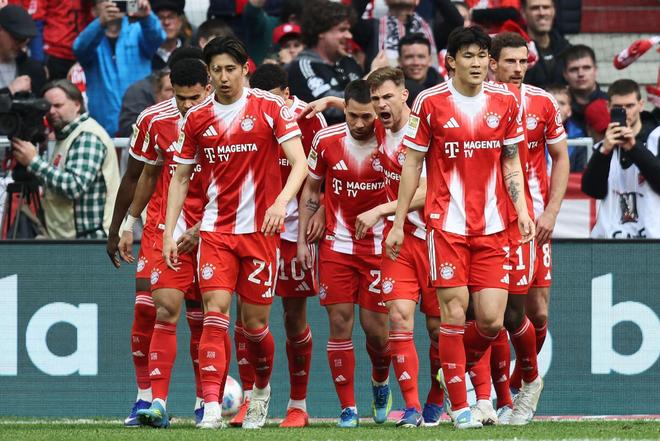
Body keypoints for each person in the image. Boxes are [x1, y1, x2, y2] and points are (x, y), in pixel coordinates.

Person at [387, 26, 534, 429]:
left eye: (482, 55)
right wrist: (398, 222)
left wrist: (521, 208)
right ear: (451, 61)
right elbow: (412, 165)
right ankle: (461, 406)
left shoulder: (506, 101)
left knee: (490, 321)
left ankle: (447, 375)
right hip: (447, 227)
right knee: (452, 316)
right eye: (468, 55)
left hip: (494, 227)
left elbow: (510, 159)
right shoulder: (430, 101)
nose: (477, 63)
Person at [163, 36, 307, 430]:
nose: (224, 77)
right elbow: (180, 177)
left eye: (231, 69)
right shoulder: (197, 117)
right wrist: (169, 233)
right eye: (217, 70)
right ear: (208, 74)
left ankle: (260, 391)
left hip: (260, 232)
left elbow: (299, 163)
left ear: (245, 69)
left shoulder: (270, 108)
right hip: (215, 231)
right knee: (215, 313)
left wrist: (280, 203)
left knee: (255, 327)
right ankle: (211, 405)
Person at [113, 48, 213, 429]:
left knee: (203, 318)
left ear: (207, 87)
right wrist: (127, 222)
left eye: (193, 96)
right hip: (162, 227)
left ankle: (206, 401)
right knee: (153, 308)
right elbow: (142, 175)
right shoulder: (154, 119)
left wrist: (206, 225)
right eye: (179, 96)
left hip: (211, 227)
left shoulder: (224, 119)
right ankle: (150, 399)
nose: (186, 105)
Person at [483, 31, 568, 425]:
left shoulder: (542, 102)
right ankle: (501, 397)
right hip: (489, 221)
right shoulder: (477, 101)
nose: (518, 69)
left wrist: (551, 212)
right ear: (493, 63)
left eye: (523, 62)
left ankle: (522, 383)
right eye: (510, 61)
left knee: (536, 312)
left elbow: (560, 157)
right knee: (496, 313)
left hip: (532, 222)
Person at [297, 80, 392, 428]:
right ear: (346, 112)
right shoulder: (326, 140)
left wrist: (332, 99)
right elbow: (311, 189)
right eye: (353, 115)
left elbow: (400, 105)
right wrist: (302, 241)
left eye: (367, 116)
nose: (360, 123)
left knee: (377, 333)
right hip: (336, 246)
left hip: (379, 247)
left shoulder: (389, 137)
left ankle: (381, 382)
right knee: (339, 325)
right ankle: (348, 407)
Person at [243, 63, 327, 428]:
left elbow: (325, 170)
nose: (270, 107)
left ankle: (298, 404)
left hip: (294, 231)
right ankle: (250, 399)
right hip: (251, 228)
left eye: (275, 99)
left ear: (288, 95)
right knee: (247, 318)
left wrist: (320, 211)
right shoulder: (246, 114)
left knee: (294, 317)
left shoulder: (308, 119)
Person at [365, 67, 445, 428]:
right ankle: (411, 407)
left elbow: (428, 190)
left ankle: (436, 398)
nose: (381, 104)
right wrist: (330, 101)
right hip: (399, 241)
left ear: (404, 96)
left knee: (439, 330)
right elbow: (354, 109)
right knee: (398, 317)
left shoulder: (420, 131)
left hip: (434, 238)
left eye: (387, 97)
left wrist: (382, 210)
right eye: (375, 99)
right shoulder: (381, 127)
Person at [11, 79, 120, 239]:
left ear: (77, 105)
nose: (51, 111)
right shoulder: (66, 135)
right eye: (47, 107)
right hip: (71, 239)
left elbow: (74, 186)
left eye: (58, 105)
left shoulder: (87, 136)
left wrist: (33, 161)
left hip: (90, 240)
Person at [73, 0, 165, 136]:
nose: (115, 3)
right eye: (107, 1)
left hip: (140, 127)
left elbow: (158, 38)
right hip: (102, 130)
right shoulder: (91, 36)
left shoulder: (138, 31)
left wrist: (147, 16)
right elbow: (79, 49)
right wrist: (100, 23)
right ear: (94, 10)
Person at [582, 79, 660, 239]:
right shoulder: (603, 147)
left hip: (652, 240)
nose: (625, 112)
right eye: (618, 107)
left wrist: (634, 147)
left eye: (630, 106)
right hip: (610, 240)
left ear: (641, 105)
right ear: (608, 107)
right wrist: (604, 151)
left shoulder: (656, 138)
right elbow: (592, 190)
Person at [287, 0, 363, 125]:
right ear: (321, 32)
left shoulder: (350, 62)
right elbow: (330, 109)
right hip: (322, 135)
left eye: (348, 30)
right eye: (342, 30)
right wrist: (370, 79)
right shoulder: (303, 66)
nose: (349, 36)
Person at [562, 44, 609, 143]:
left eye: (586, 68)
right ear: (565, 74)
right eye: (574, 69)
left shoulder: (609, 103)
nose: (581, 74)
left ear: (595, 70)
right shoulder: (555, 106)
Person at [521, 0, 570, 88]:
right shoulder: (516, 51)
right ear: (523, 13)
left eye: (546, 7)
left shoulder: (567, 49)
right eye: (535, 8)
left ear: (553, 11)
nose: (542, 13)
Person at [0, 5, 47, 96]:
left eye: (25, 40)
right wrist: (11, 90)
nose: (21, 45)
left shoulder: (33, 69)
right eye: (17, 38)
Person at [117, 68, 175, 138]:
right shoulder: (146, 122)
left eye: (178, 90)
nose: (174, 95)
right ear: (157, 94)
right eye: (169, 90)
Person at [547, 83, 587, 172]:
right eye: (551, 102)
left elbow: (579, 174)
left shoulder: (579, 138)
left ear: (569, 111)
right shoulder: (531, 134)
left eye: (561, 103)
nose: (556, 107)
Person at [399, 33, 443, 107]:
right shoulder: (389, 88)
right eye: (409, 57)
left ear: (430, 60)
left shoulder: (444, 87)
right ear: (399, 61)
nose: (416, 63)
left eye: (421, 57)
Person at [151, 0, 188, 70]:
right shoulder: (143, 56)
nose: (166, 22)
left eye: (171, 17)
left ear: (180, 21)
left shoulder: (192, 54)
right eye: (160, 18)